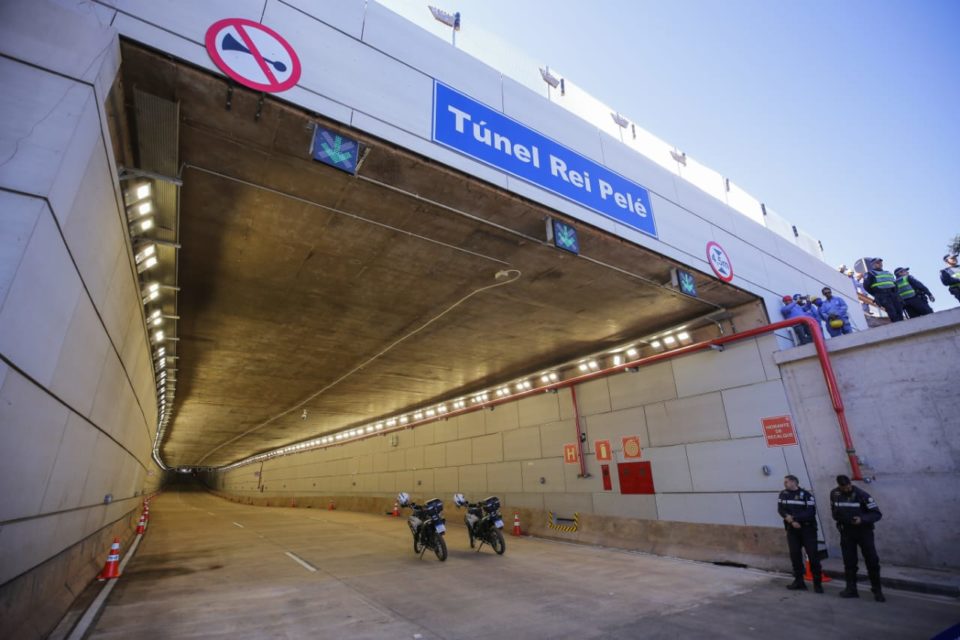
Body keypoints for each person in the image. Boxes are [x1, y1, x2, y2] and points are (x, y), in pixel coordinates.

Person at [830, 475, 884, 602]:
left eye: (848, 486)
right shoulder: (834, 493)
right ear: (839, 486)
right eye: (844, 487)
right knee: (849, 561)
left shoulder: (862, 494)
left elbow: (877, 514)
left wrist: (862, 519)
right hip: (846, 531)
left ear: (850, 483)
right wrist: (843, 519)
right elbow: (834, 511)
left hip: (863, 531)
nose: (847, 489)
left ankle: (877, 590)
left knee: (872, 560)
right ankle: (851, 589)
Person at [777, 475, 823, 593]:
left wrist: (796, 518)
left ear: (793, 482)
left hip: (807, 529)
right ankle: (799, 581)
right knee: (795, 555)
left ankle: (817, 584)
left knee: (813, 556)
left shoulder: (806, 495)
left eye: (786, 482)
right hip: (792, 529)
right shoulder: (783, 494)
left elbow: (810, 512)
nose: (785, 484)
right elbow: (781, 509)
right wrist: (791, 521)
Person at [862, 257, 903, 322]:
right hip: (883, 295)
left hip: (893, 294)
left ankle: (902, 324)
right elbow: (866, 286)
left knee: (899, 311)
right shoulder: (870, 274)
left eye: (880, 262)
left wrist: (897, 294)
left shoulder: (888, 273)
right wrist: (876, 294)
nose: (880, 264)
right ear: (873, 265)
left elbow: (895, 284)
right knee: (892, 311)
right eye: (877, 263)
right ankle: (897, 325)